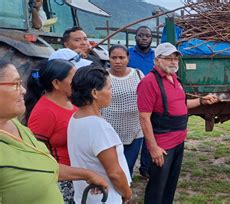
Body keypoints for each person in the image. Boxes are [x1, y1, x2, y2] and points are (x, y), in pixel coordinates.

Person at [0, 60, 107, 204]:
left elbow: (45, 165)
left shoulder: (15, 124)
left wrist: (86, 174)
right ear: (56, 83)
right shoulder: (44, 112)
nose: (23, 90)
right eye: (16, 84)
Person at [137, 42, 218, 203]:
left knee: (170, 186)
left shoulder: (175, 79)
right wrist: (153, 148)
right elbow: (144, 117)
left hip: (178, 142)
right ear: (157, 60)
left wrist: (202, 101)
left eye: (175, 58)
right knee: (156, 189)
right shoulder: (149, 82)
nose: (173, 62)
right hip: (163, 145)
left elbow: (182, 105)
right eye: (168, 58)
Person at [68, 65, 133, 203]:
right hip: (105, 198)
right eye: (109, 88)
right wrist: (127, 193)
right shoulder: (99, 128)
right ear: (95, 93)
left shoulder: (75, 118)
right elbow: (115, 173)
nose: (112, 92)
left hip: (86, 197)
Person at [25, 59, 78, 203]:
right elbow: (37, 157)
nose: (78, 81)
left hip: (78, 175)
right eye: (74, 78)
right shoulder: (44, 112)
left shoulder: (71, 101)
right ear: (56, 83)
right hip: (61, 181)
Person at [102, 44, 145, 176]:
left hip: (135, 130)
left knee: (128, 166)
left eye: (121, 57)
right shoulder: (103, 76)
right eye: (114, 57)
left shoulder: (138, 74)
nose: (118, 61)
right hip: (109, 131)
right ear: (109, 59)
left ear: (128, 58)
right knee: (111, 169)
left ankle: (125, 193)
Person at [128, 25, 155, 178]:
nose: (144, 38)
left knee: (148, 134)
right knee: (133, 137)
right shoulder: (128, 54)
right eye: (140, 35)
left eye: (147, 36)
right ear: (135, 37)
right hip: (132, 100)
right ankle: (127, 171)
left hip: (151, 101)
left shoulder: (155, 56)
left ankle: (145, 169)